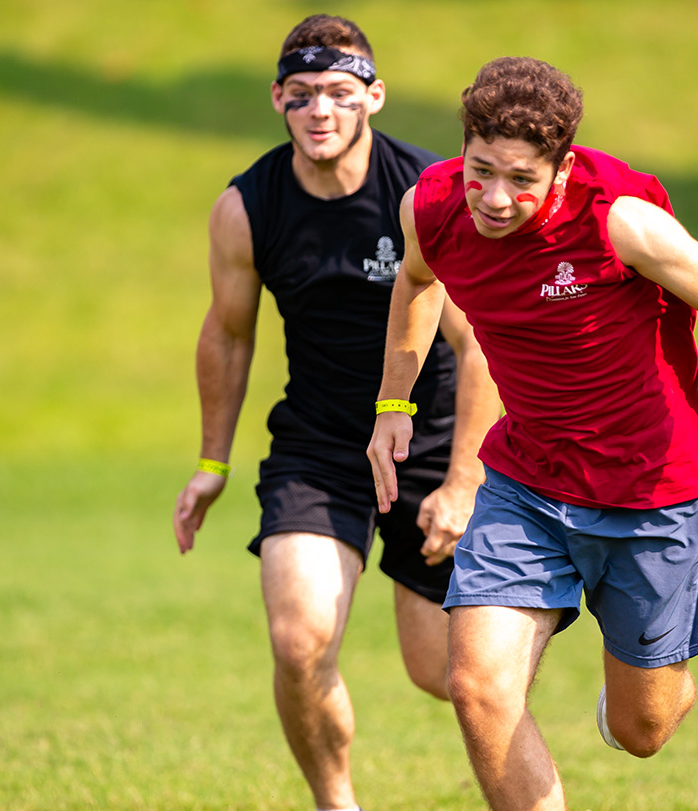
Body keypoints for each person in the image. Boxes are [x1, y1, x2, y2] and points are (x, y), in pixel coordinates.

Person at [367, 57, 698, 810]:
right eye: (480, 171)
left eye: (520, 179)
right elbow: (416, 280)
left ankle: (647, 687)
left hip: (653, 489)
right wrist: (392, 407)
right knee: (475, 686)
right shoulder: (430, 206)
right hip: (527, 480)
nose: (495, 199)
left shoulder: (621, 220)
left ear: (563, 169)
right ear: (462, 149)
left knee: (643, 727)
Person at [171, 15, 499, 811]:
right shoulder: (247, 208)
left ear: (374, 98)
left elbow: (482, 341)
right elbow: (229, 333)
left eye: (341, 94)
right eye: (305, 94)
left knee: (443, 672)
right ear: (279, 98)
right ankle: (336, 803)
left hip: (430, 443)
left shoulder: (428, 196)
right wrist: (213, 463)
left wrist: (462, 481)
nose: (322, 110)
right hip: (319, 445)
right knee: (298, 639)